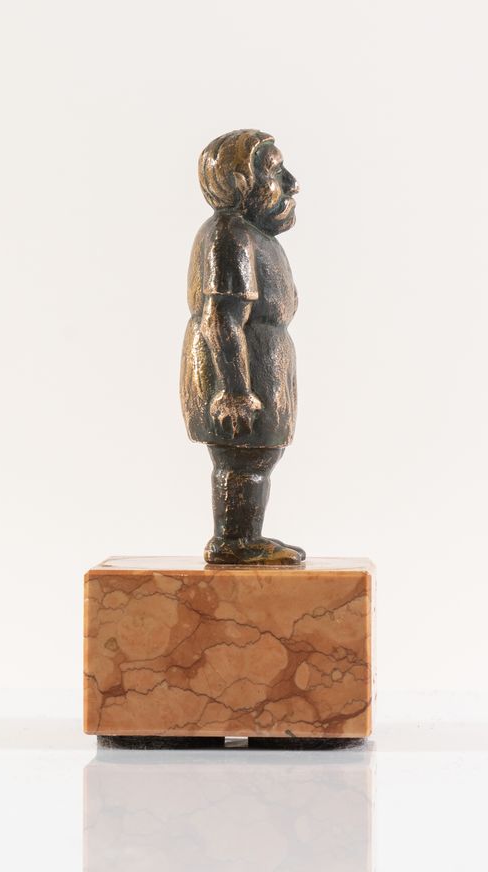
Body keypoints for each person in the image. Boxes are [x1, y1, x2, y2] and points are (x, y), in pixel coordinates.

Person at [180, 129, 305, 565]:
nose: (291, 184)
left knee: (257, 459)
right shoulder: (229, 234)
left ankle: (245, 536)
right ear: (239, 183)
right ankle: (234, 540)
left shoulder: (254, 236)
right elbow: (221, 316)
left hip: (259, 370)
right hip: (237, 377)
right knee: (241, 460)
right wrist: (234, 390)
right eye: (275, 172)